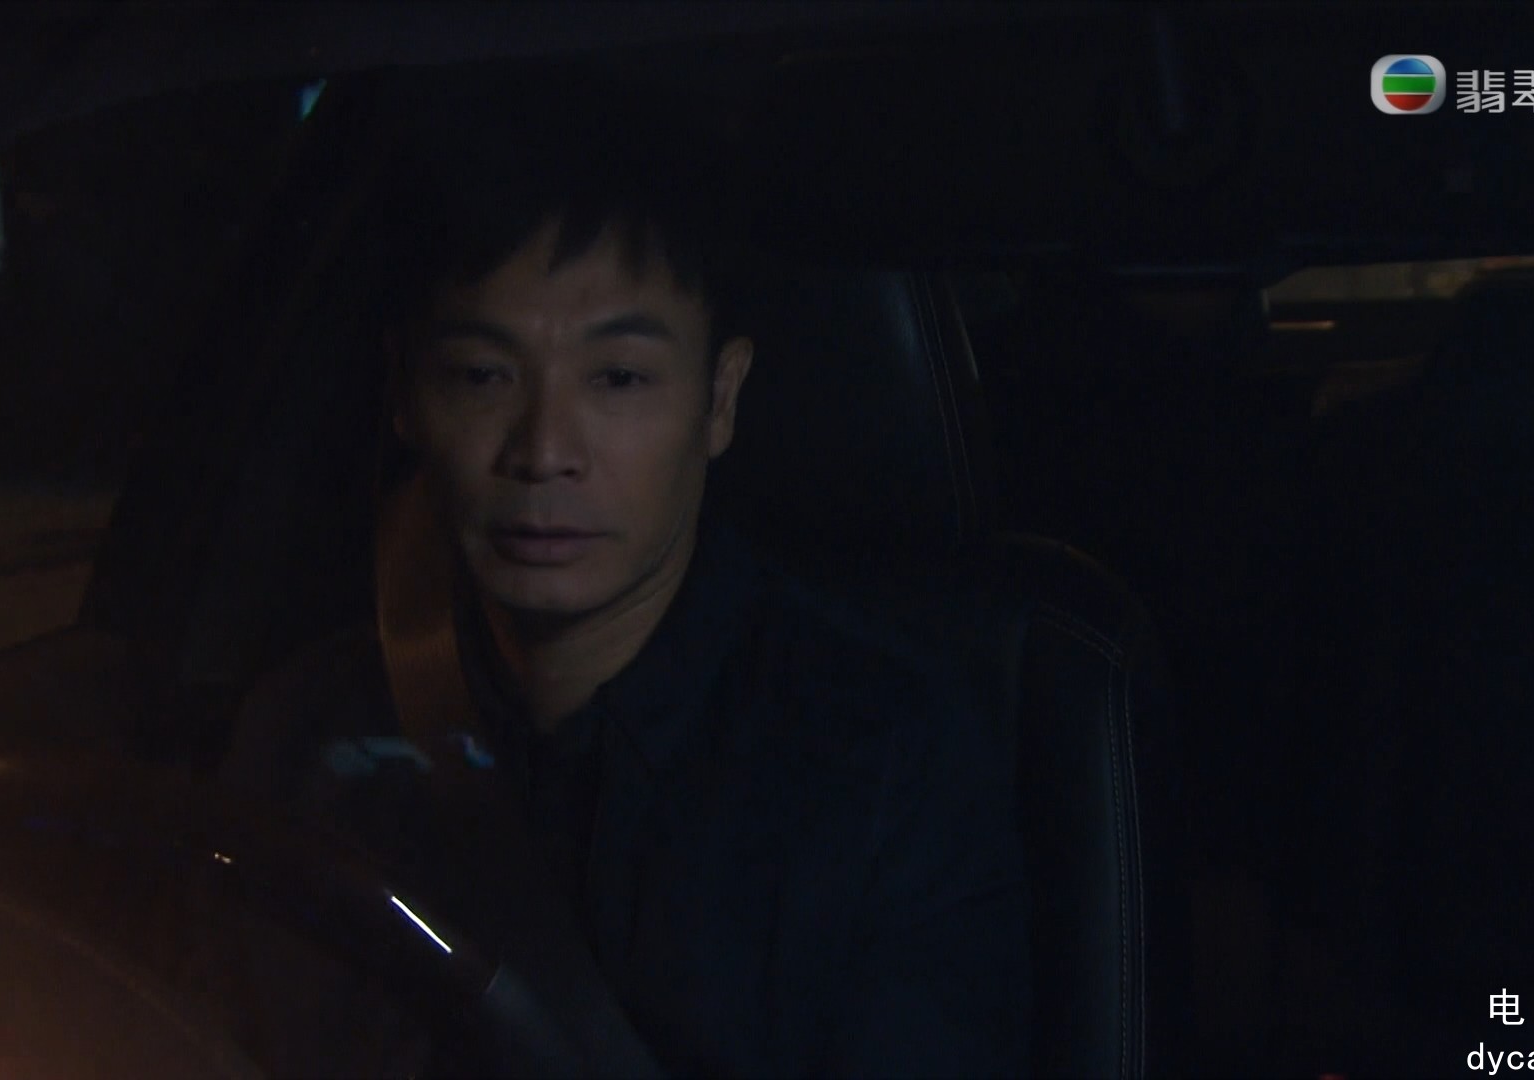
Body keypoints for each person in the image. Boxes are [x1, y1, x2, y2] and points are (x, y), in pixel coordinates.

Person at [225, 75, 1031, 1077]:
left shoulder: (882, 767)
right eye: (481, 376)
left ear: (720, 399)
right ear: (405, 395)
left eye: (618, 379)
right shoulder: (312, 735)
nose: (543, 451)